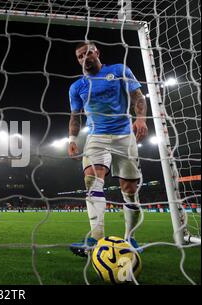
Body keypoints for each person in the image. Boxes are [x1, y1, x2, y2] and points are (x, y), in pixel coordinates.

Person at [67, 41, 148, 256]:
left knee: (130, 191)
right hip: (96, 136)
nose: (84, 58)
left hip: (124, 134)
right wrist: (72, 139)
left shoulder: (119, 71)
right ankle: (95, 237)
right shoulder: (77, 86)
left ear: (97, 52)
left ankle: (130, 237)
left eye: (88, 52)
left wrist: (141, 119)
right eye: (80, 56)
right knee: (91, 180)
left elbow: (138, 96)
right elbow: (75, 117)